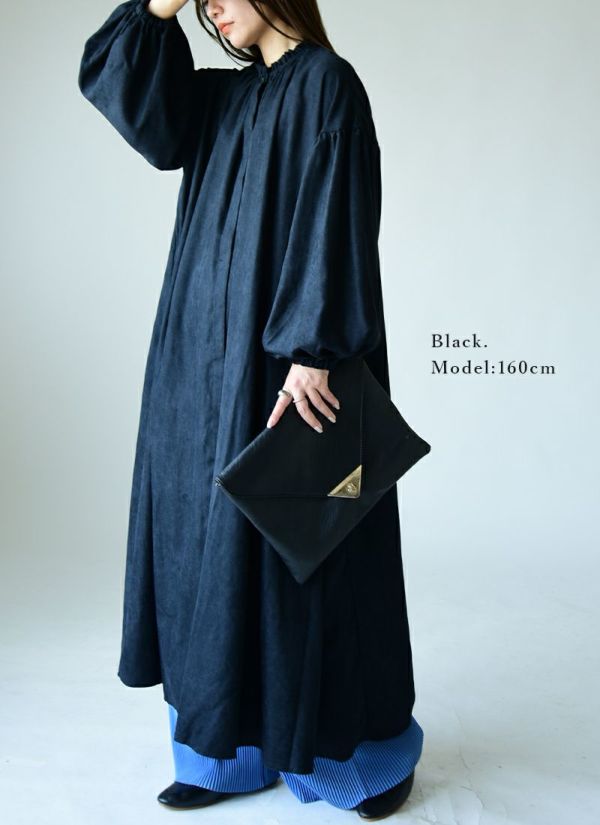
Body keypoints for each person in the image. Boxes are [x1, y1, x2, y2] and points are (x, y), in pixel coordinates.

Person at [78, 0, 423, 818]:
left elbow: (339, 212)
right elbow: (125, 92)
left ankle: (357, 761)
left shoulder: (328, 84)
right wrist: (157, 6)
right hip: (194, 371)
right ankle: (222, 755)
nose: (210, 7)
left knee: (304, 554)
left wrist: (313, 345)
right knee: (204, 552)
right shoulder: (217, 98)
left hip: (285, 369)